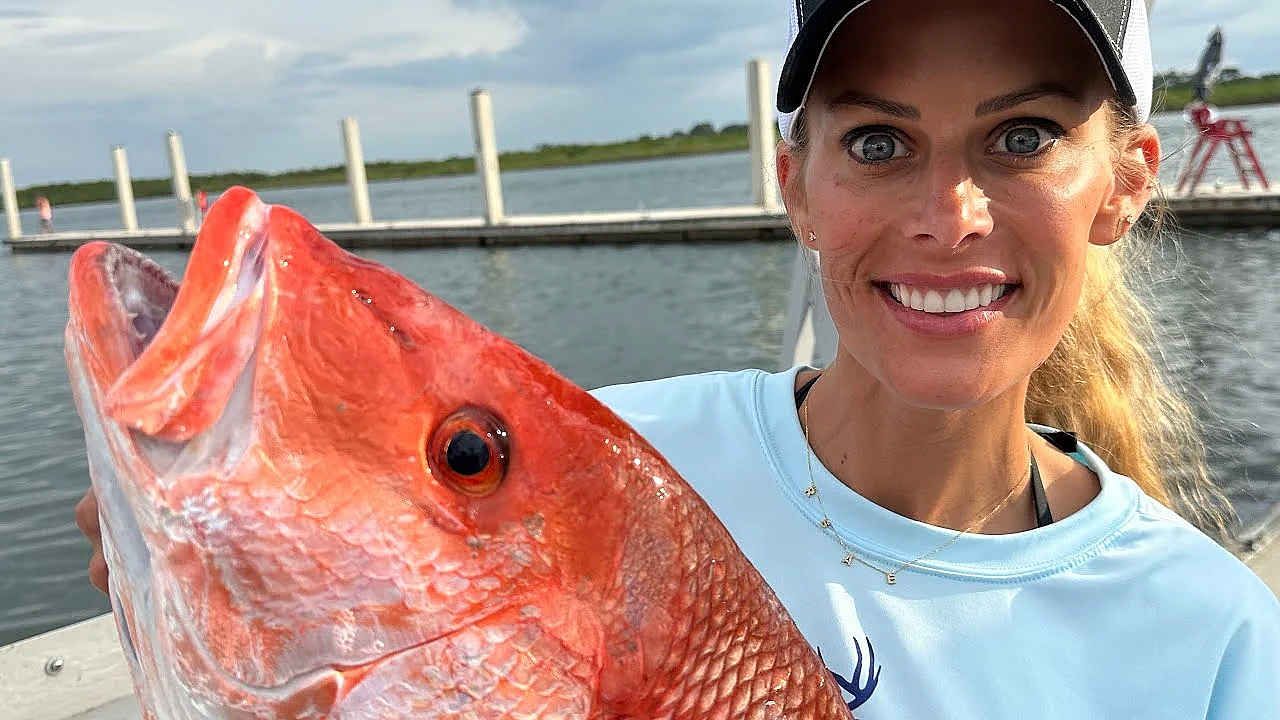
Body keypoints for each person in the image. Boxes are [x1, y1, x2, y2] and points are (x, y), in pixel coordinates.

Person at [75, 0, 1278, 716]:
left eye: (1020, 136)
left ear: (1124, 182)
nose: (948, 211)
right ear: (793, 186)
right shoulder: (629, 461)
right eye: (875, 139)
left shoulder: (1211, 640)